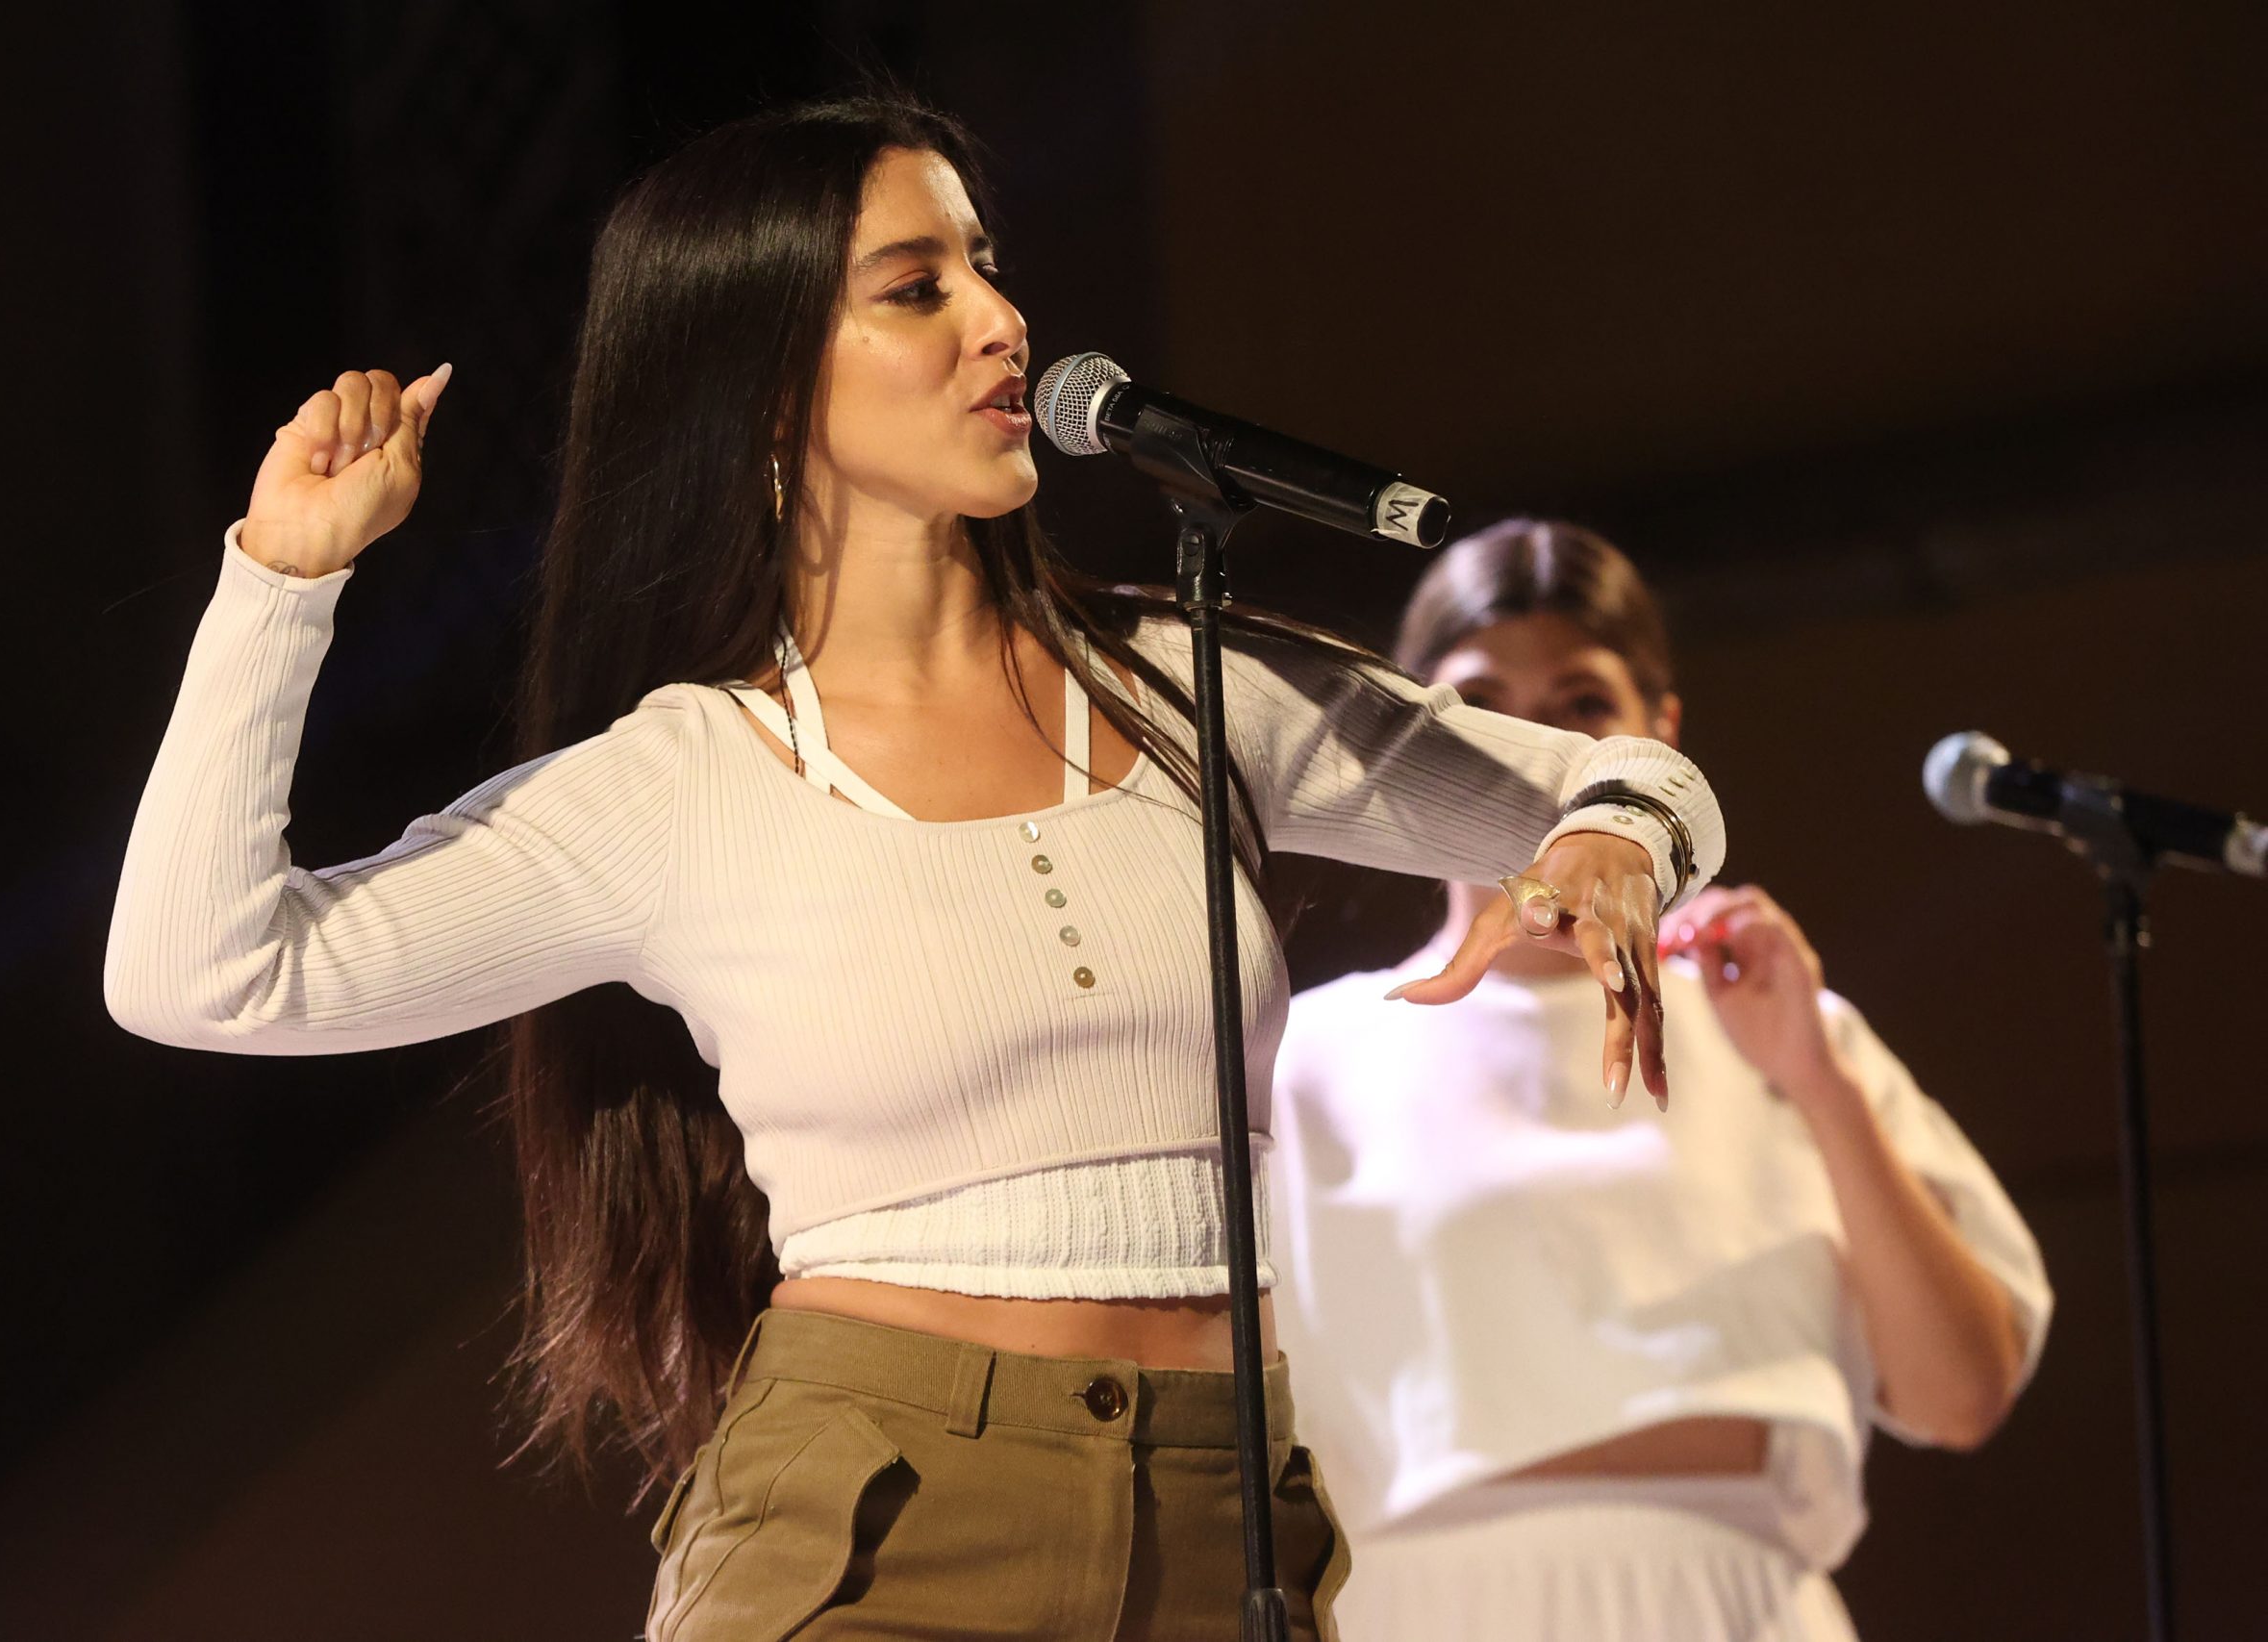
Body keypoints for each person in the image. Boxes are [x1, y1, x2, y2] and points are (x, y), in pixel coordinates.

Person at [103, 96, 1725, 1640]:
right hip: (879, 1518)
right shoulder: (682, 780)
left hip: (1225, 1508)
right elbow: (205, 974)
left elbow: (1644, 780)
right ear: (762, 381)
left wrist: (1608, 836)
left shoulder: (1184, 690)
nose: (1003, 322)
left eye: (987, 268)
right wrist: (280, 585)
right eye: (916, 287)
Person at [1268, 518, 2050, 1640]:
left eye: (1583, 704)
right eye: (1479, 702)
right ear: (1409, 737)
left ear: (1658, 739)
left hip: (1736, 1603)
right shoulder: (1305, 1056)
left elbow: (1959, 1397)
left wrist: (1815, 1080)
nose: (1533, 745)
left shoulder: (1778, 1026)